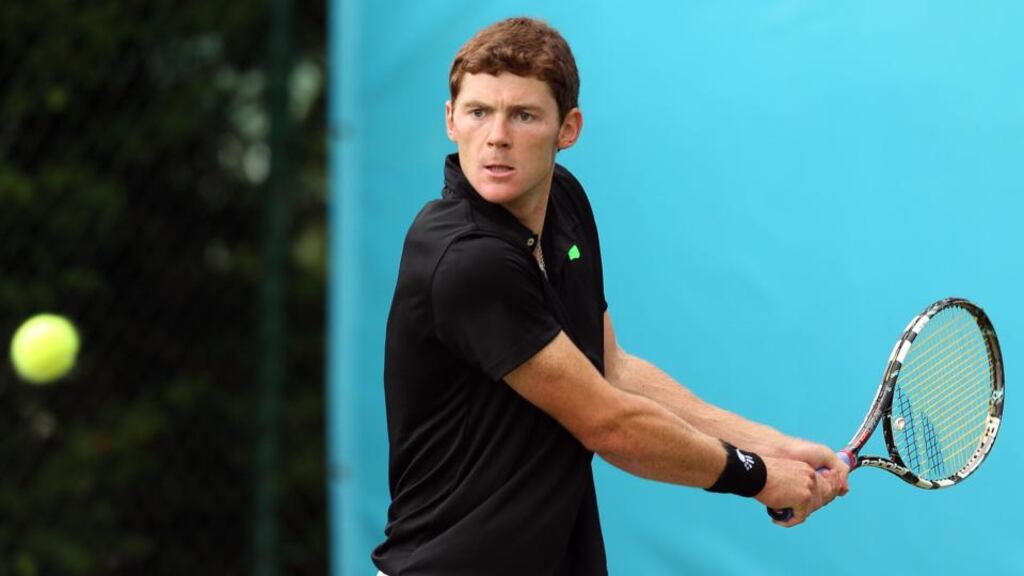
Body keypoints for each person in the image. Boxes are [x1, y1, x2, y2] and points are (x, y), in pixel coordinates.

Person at [373, 16, 848, 576]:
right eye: (479, 112)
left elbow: (612, 370)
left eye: (523, 115)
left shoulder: (564, 205)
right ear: (451, 120)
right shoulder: (465, 259)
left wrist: (771, 444)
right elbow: (609, 423)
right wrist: (759, 476)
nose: (496, 136)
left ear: (567, 129)